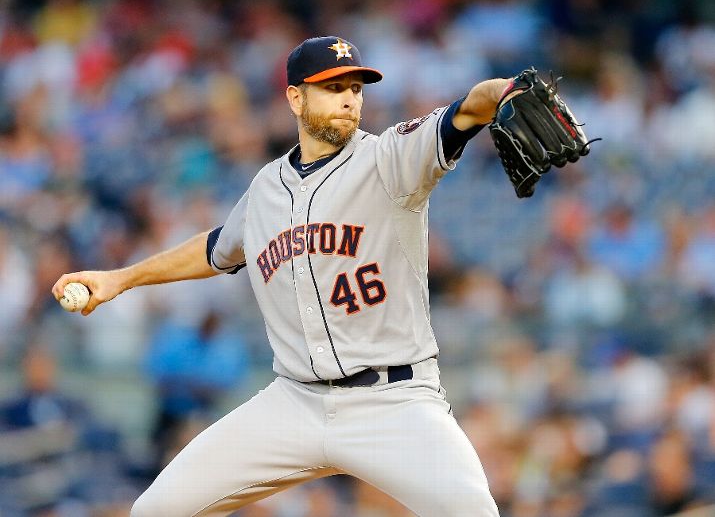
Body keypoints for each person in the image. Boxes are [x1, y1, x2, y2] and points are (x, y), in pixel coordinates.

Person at [53, 35, 509, 516]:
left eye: (356, 87)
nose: (350, 98)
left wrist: (506, 92)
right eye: (333, 87)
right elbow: (217, 248)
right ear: (295, 97)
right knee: (153, 511)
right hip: (294, 404)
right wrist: (119, 279)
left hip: (395, 403)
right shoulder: (267, 186)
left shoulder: (390, 159)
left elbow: (467, 111)